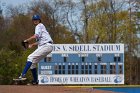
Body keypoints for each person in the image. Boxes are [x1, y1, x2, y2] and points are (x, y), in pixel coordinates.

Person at [19, 14, 53, 85]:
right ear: (33, 21)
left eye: (37, 19)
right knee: (33, 64)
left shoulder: (39, 26)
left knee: (30, 57)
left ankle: (23, 75)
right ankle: (35, 81)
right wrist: (32, 44)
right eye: (34, 20)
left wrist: (26, 40)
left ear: (39, 20)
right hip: (47, 46)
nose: (35, 21)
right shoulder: (41, 27)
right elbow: (40, 41)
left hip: (46, 45)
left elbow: (36, 35)